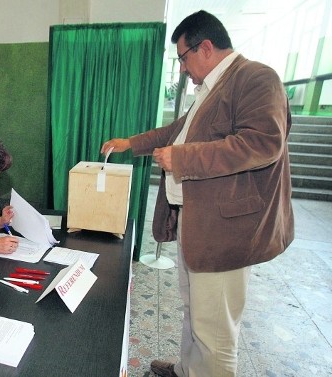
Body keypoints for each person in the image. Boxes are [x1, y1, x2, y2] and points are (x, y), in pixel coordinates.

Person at [101, 10, 294, 377]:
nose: (184, 69)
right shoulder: (213, 87)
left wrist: (183, 157)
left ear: (205, 47)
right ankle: (187, 370)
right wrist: (131, 143)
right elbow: (179, 130)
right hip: (200, 222)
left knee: (216, 331)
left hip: (225, 231)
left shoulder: (256, 78)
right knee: (195, 308)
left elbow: (263, 143)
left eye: (183, 58)